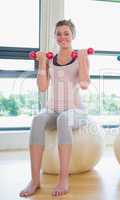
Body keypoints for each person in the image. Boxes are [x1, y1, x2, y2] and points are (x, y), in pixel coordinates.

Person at [20, 19, 90, 197]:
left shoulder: (79, 57)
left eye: (66, 33)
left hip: (76, 111)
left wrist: (82, 59)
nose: (62, 37)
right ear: (55, 37)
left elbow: (83, 84)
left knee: (63, 119)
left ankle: (63, 179)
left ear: (73, 35)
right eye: (58, 34)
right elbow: (42, 87)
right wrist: (42, 63)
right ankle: (35, 180)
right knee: (37, 119)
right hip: (53, 109)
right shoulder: (51, 59)